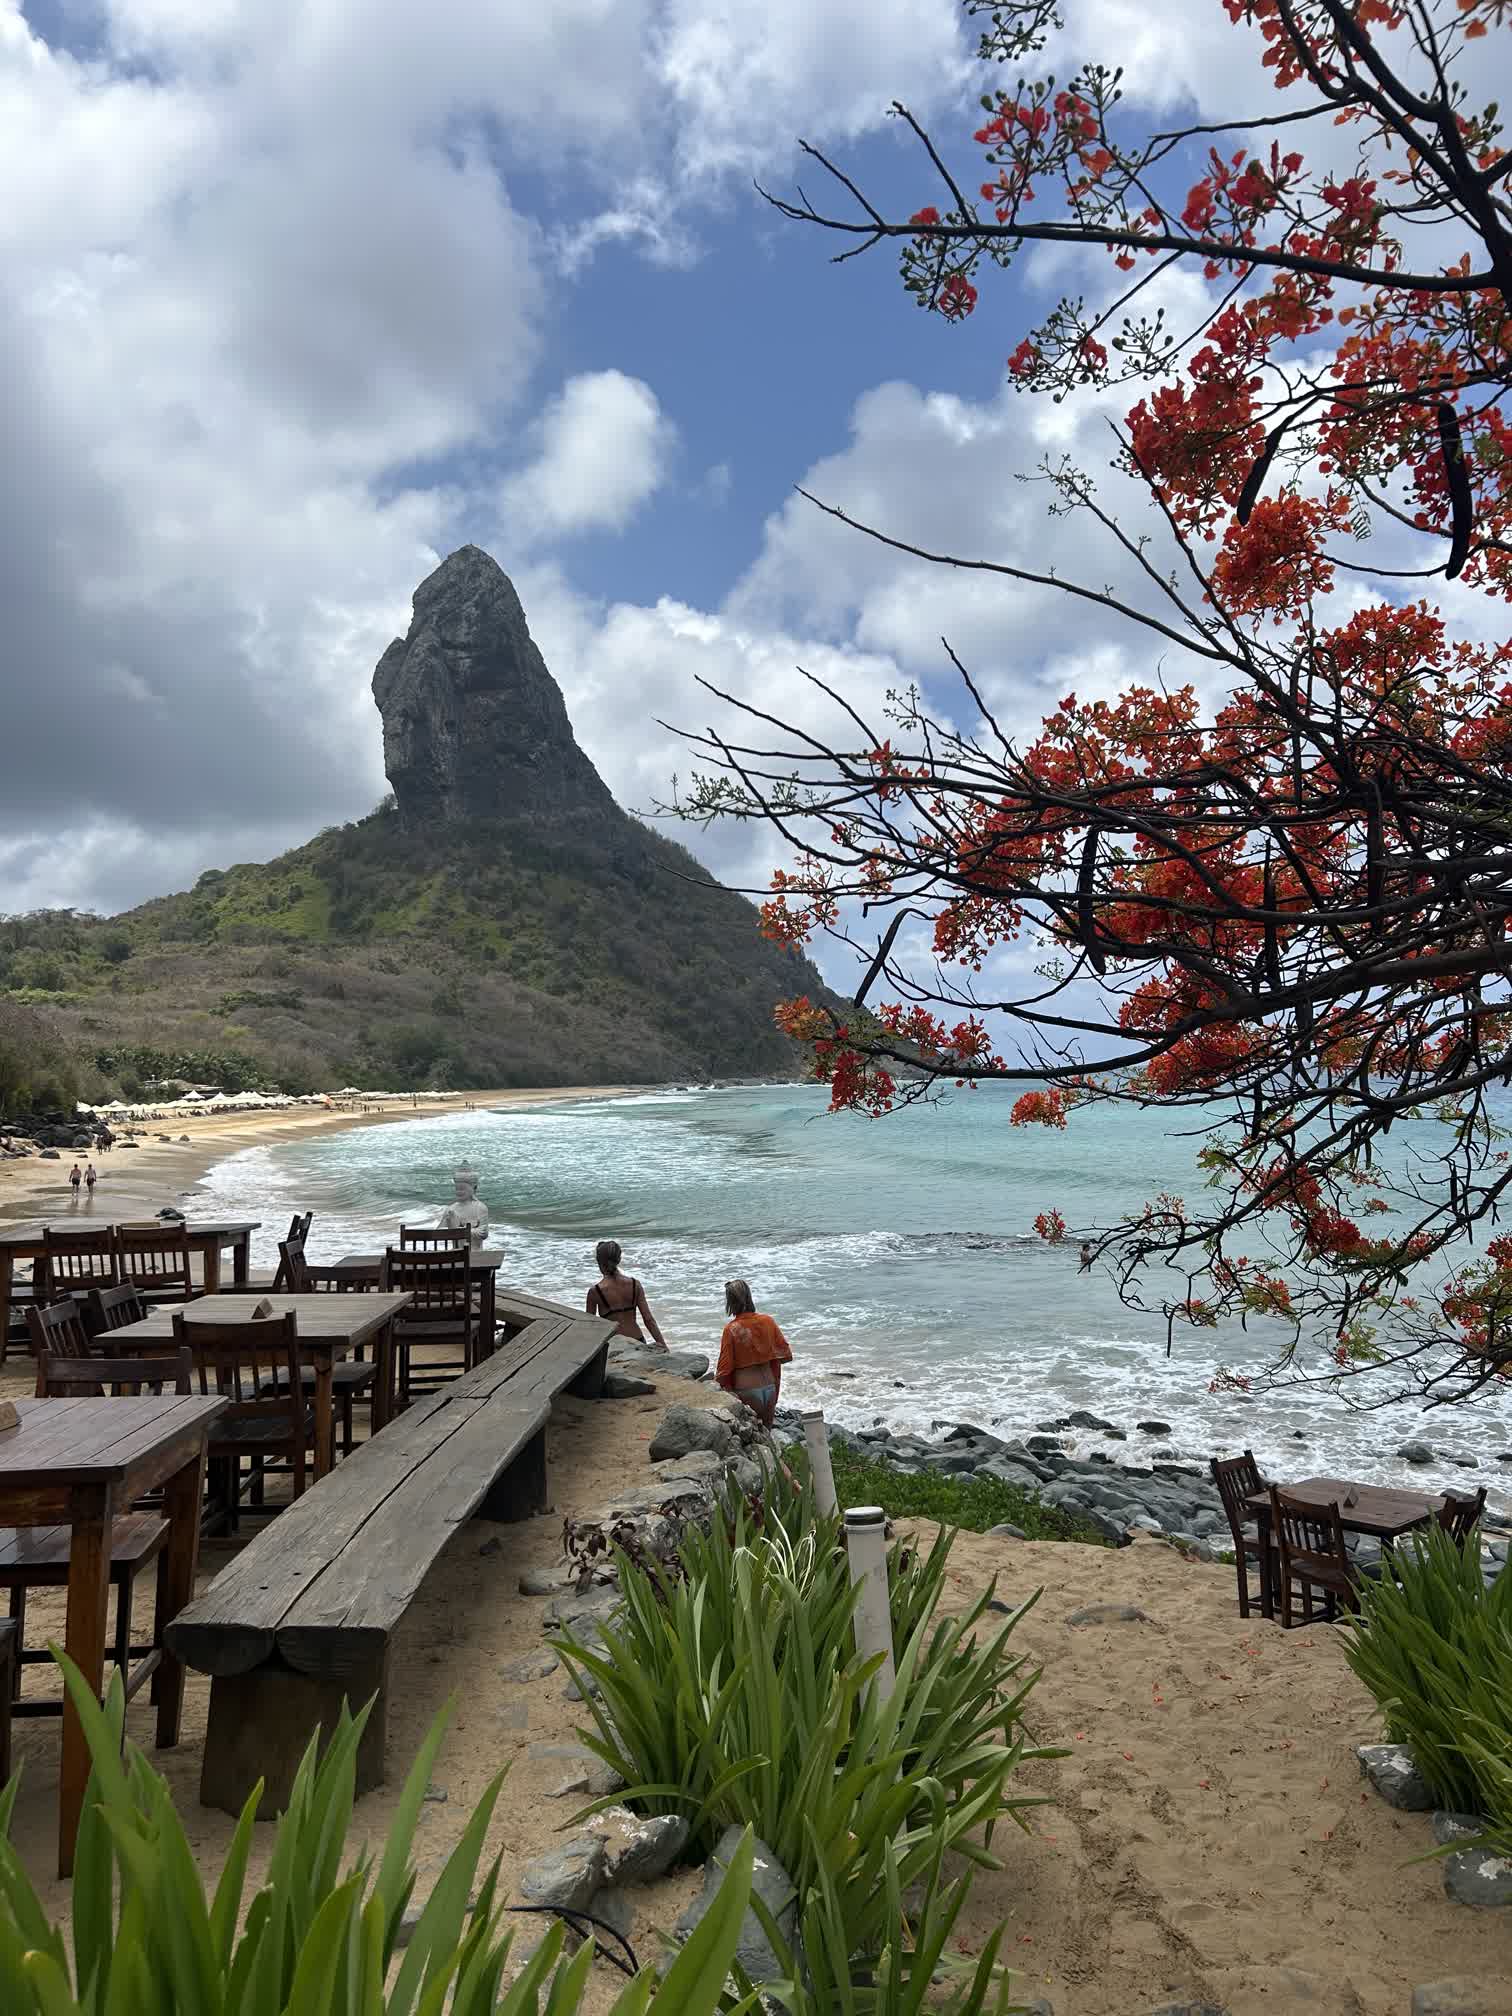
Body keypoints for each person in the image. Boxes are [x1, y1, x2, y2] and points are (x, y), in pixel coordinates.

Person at [717, 1279, 792, 1427]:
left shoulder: (731, 1329)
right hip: (770, 1387)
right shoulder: (768, 1321)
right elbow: (785, 1355)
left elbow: (724, 1370)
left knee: (753, 1433)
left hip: (747, 1390)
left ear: (730, 1303)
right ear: (749, 1297)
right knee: (767, 1433)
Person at [587, 1240, 667, 1346]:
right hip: (638, 1341)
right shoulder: (635, 1284)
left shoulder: (595, 1292)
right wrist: (663, 1345)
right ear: (619, 1259)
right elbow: (648, 1320)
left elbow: (590, 1326)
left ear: (599, 1262)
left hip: (614, 1345)